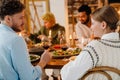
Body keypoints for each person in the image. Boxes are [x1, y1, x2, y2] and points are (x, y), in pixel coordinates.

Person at [61, 5, 120, 80]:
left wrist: (71, 63)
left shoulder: (95, 47)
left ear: (103, 25)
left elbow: (68, 77)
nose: (91, 27)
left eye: (93, 23)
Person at [0, 1, 51, 80]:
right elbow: (28, 77)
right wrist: (43, 62)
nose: (24, 21)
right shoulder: (16, 40)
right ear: (8, 19)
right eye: (21, 17)